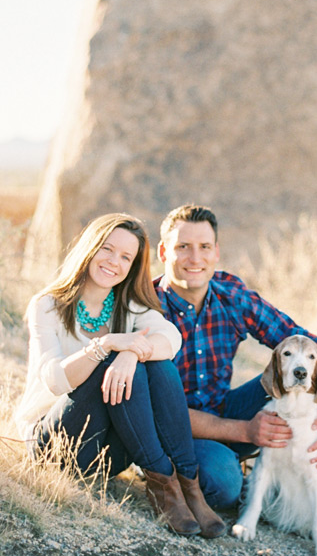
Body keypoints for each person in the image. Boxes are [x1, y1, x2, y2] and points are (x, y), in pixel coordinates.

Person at [153, 204, 317, 553]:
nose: (195, 257)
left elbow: (316, 347)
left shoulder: (231, 295)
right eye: (183, 247)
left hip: (225, 408)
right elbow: (157, 411)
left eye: (204, 247)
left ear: (216, 252)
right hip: (178, 431)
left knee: (307, 392)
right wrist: (244, 432)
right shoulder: (148, 307)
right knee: (224, 484)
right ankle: (199, 480)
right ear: (164, 251)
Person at [15, 212, 226, 538]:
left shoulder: (128, 306)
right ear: (90, 247)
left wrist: (129, 352)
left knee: (155, 364)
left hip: (109, 456)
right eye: (107, 249)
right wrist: (107, 345)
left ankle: (185, 483)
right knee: (105, 365)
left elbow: (171, 339)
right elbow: (55, 379)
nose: (114, 261)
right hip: (56, 443)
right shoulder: (48, 305)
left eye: (126, 256)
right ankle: (163, 484)